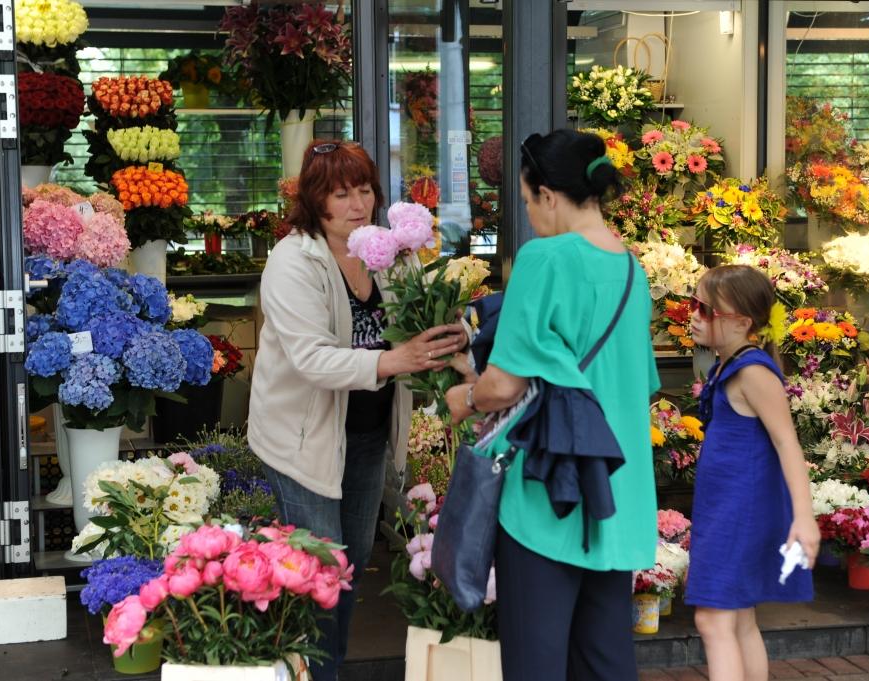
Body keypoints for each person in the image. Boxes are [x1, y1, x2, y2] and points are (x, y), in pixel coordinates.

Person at [248, 139, 466, 681]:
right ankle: (317, 673)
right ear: (314, 201)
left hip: (365, 436)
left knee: (347, 566)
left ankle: (327, 668)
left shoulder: (387, 254)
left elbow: (410, 334)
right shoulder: (293, 260)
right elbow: (310, 359)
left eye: (364, 189)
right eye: (341, 193)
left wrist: (446, 343)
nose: (357, 203)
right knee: (318, 570)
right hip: (305, 440)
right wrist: (396, 360)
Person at [445, 128, 659, 681]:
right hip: (617, 494)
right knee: (604, 661)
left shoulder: (545, 259)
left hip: (548, 493)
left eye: (526, 200)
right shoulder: (633, 271)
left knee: (535, 664)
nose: (530, 215)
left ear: (546, 194)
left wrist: (462, 397)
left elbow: (503, 386)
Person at [685, 264, 820, 681]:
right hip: (727, 507)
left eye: (705, 308)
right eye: (693, 303)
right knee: (739, 619)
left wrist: (804, 517)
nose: (692, 314)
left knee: (714, 620)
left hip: (738, 512)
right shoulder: (730, 366)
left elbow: (787, 443)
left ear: (742, 322)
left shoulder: (753, 371)